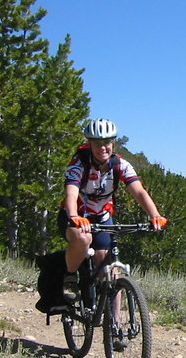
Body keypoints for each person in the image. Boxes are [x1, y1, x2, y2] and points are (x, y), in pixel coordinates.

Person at [58, 118, 167, 301]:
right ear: (89, 144)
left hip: (102, 216)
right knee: (83, 238)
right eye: (97, 143)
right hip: (77, 216)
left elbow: (139, 191)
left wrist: (154, 215)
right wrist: (74, 216)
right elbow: (71, 193)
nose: (103, 148)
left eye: (107, 143)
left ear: (113, 143)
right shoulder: (79, 164)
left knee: (110, 269)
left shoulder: (120, 165)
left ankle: (114, 322)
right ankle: (69, 277)